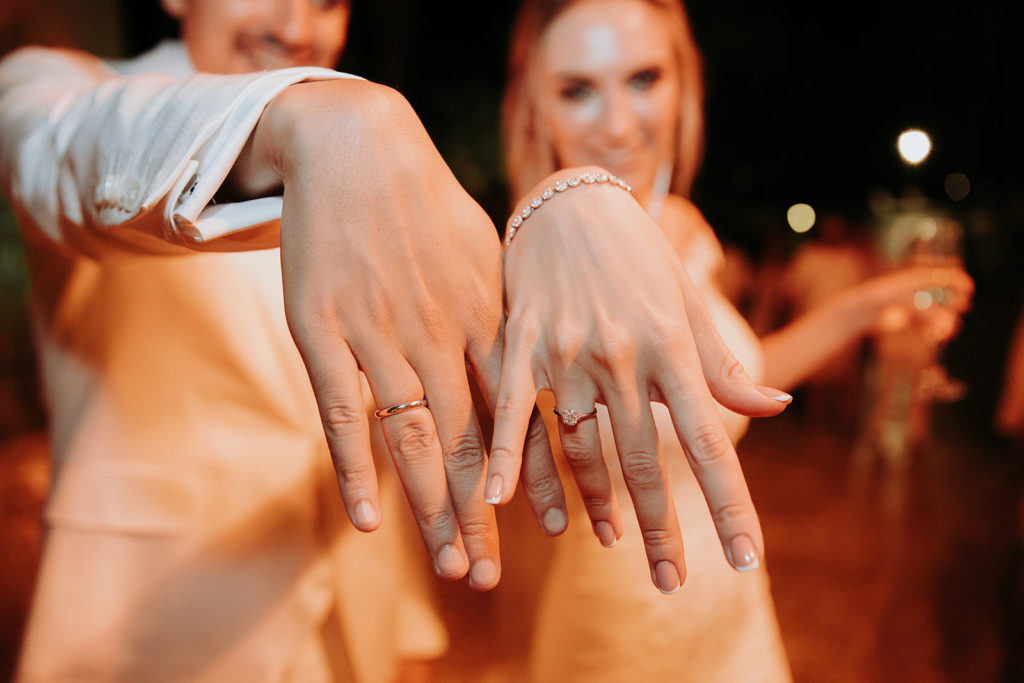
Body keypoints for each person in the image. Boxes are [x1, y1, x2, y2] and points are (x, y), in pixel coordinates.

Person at [0, 0, 794, 678]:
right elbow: (76, 152)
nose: (296, 22)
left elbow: (499, 301)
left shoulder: (382, 150)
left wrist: (572, 195)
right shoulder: (56, 91)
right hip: (150, 645)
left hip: (363, 634)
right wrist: (309, 121)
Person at [493, 0, 974, 680]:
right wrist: (562, 198)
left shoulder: (686, 226)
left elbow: (725, 380)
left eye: (644, 79)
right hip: (624, 624)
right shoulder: (541, 260)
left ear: (684, 83)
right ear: (534, 107)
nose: (621, 123)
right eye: (577, 90)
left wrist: (863, 310)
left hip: (736, 601)